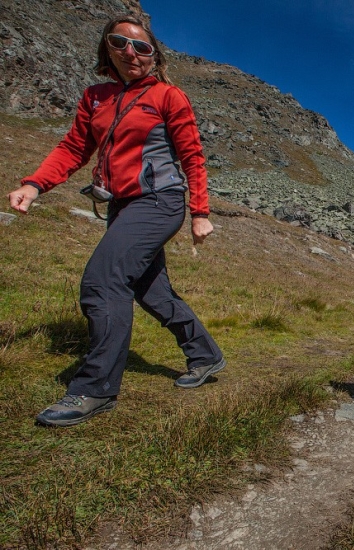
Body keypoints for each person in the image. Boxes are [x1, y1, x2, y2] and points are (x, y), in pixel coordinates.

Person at [7, 14, 225, 427]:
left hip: (160, 201)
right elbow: (74, 148)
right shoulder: (95, 97)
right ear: (107, 48)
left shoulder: (167, 96)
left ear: (154, 55)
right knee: (151, 291)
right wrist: (35, 185)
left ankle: (94, 389)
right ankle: (205, 355)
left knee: (103, 281)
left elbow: (193, 158)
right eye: (120, 42)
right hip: (121, 206)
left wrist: (200, 213)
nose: (131, 52)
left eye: (141, 46)